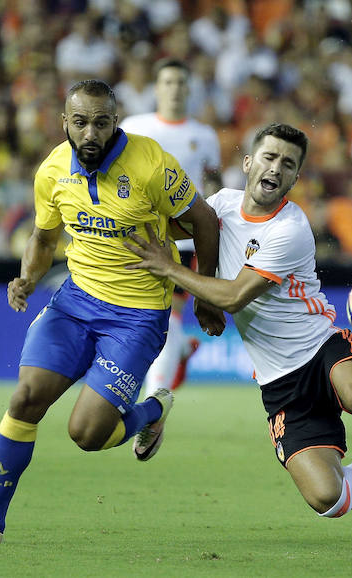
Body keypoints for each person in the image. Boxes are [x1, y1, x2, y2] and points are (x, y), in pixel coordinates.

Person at [125, 123, 352, 520]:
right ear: (249, 162)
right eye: (270, 158)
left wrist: (172, 270)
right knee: (329, 500)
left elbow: (235, 296)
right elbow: (168, 227)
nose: (276, 168)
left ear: (295, 178)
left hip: (321, 347)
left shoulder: (290, 229)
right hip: (280, 383)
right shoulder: (219, 205)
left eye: (288, 164)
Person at [0, 79, 221, 545]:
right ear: (65, 124)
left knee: (88, 433)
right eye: (80, 123)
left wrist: (208, 294)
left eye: (100, 122)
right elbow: (42, 238)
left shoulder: (151, 163)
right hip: (75, 303)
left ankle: (154, 408)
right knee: (25, 399)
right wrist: (28, 279)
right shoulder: (53, 170)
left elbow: (204, 219)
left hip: (136, 316)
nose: (90, 133)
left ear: (114, 121)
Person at [118, 58, 222, 393]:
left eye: (180, 82)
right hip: (142, 234)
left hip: (185, 239)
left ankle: (155, 396)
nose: (174, 88)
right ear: (156, 88)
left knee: (168, 312)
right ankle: (177, 349)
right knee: (147, 316)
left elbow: (214, 188)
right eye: (168, 82)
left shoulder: (204, 136)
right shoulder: (136, 127)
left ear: (189, 88)